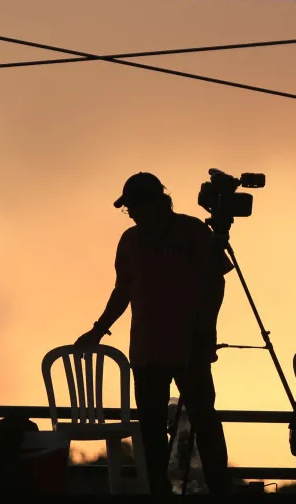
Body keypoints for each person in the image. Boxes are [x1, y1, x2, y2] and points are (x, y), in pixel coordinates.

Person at [75, 172, 232, 495]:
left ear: (154, 203)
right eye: (127, 208)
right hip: (147, 349)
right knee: (149, 427)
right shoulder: (130, 240)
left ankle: (219, 489)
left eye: (133, 205)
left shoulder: (192, 231)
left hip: (190, 344)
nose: (130, 212)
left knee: (204, 418)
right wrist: (98, 329)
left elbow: (216, 281)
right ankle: (158, 490)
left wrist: (206, 331)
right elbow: (123, 290)